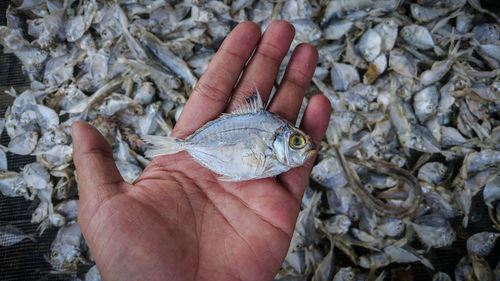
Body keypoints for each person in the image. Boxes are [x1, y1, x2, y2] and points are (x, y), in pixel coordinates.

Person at [71, 20, 331, 281]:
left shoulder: (275, 152)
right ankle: (177, 146)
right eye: (296, 141)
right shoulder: (272, 146)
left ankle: (178, 146)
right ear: (278, 138)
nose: (305, 146)